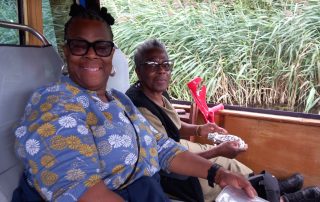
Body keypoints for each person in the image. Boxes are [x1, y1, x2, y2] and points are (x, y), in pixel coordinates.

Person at [12, 4, 257, 202]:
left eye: (101, 46)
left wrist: (219, 173)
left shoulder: (118, 101)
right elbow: (79, 189)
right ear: (66, 51)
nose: (91, 54)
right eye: (79, 46)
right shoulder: (56, 103)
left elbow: (161, 147)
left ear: (111, 53)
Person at [126, 38, 320, 202]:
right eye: (152, 65)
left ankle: (273, 185)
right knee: (226, 177)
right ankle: (280, 197)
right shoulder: (140, 107)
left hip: (179, 147)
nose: (161, 70)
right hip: (171, 173)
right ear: (138, 71)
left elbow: (175, 127)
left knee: (233, 164)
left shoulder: (158, 91)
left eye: (165, 64)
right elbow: (165, 159)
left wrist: (199, 130)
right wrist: (218, 151)